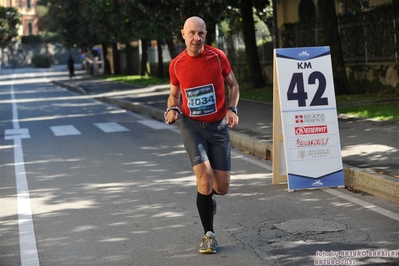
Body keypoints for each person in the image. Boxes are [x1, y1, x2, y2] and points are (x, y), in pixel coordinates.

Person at [165, 16, 240, 254]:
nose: (196, 38)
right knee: (204, 177)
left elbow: (234, 86)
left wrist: (232, 108)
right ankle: (209, 235)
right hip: (192, 126)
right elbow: (174, 95)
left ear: (205, 35)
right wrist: (171, 109)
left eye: (201, 34)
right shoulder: (176, 64)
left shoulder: (218, 57)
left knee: (222, 187)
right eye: (192, 33)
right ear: (183, 34)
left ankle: (208, 200)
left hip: (218, 127)